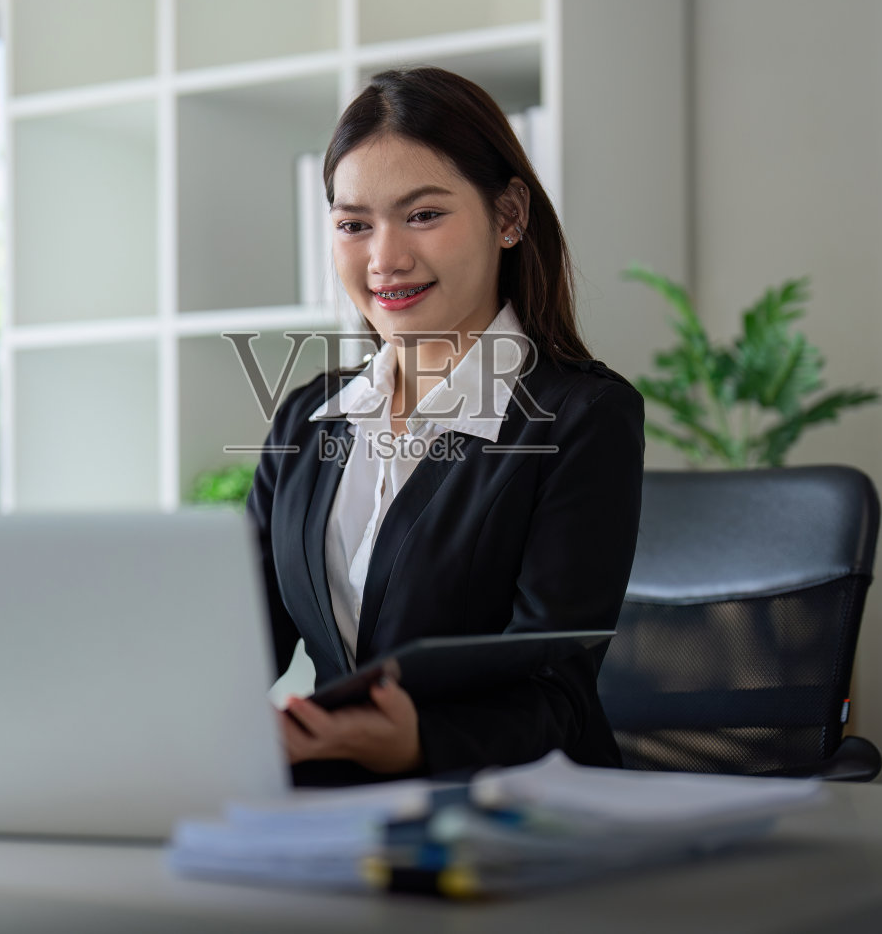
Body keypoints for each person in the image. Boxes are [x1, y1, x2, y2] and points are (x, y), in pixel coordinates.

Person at [246, 66, 645, 784]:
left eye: (424, 214)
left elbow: (555, 692)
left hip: (514, 815)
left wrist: (413, 743)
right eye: (354, 225)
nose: (385, 259)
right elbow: (235, 649)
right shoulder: (308, 417)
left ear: (509, 215)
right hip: (334, 812)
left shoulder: (581, 419)